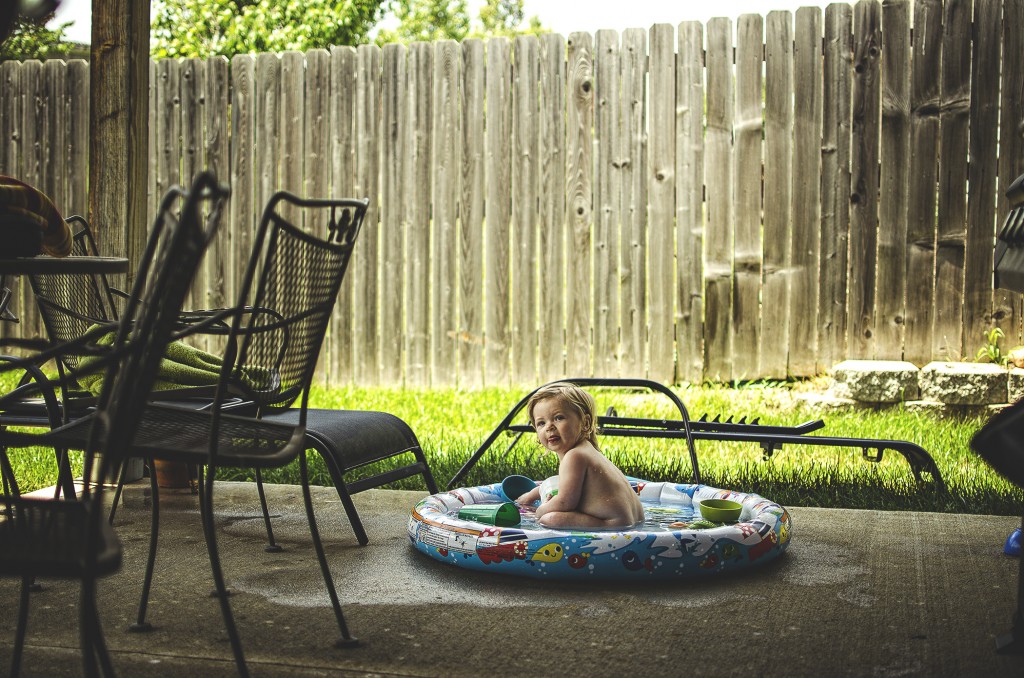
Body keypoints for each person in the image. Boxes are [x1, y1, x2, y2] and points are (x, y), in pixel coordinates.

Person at [516, 382, 644, 529]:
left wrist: (539, 511)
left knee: (549, 518)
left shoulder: (574, 456)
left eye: (558, 418)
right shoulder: (586, 450)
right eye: (541, 423)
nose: (549, 427)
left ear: (585, 422)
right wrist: (533, 494)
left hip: (613, 525)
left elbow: (565, 503)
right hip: (631, 520)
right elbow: (564, 483)